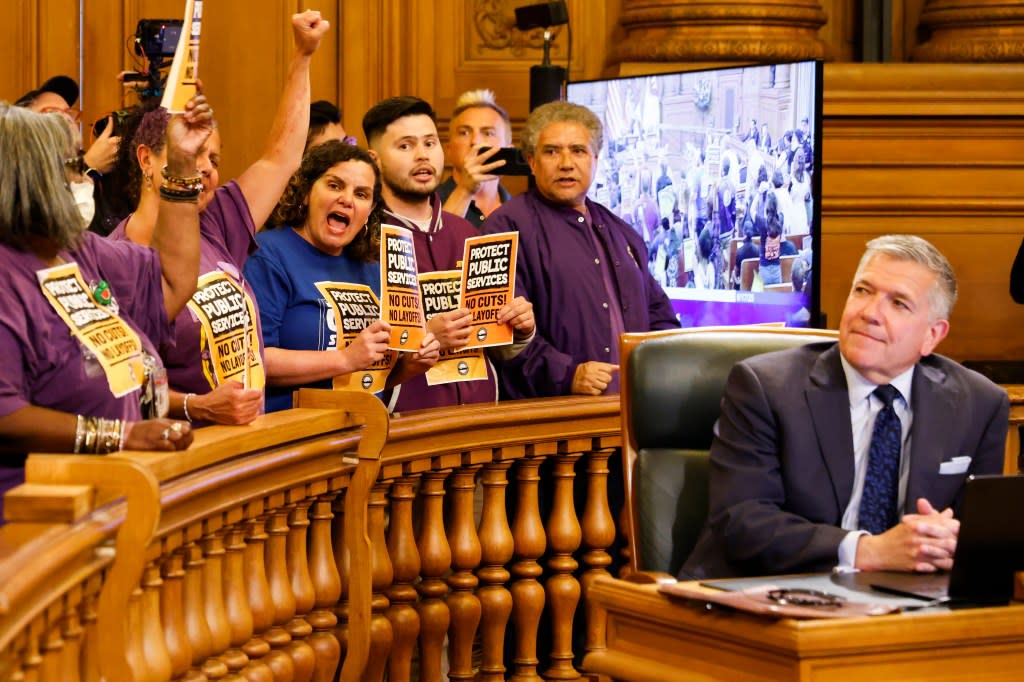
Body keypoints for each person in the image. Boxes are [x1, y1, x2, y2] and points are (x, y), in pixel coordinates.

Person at [682, 235, 1009, 579]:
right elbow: (741, 522)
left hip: (910, 602)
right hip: (770, 592)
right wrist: (867, 551)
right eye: (863, 291)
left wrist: (947, 541)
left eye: (898, 304)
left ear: (932, 335)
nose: (870, 313)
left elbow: (978, 539)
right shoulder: (765, 387)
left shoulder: (979, 404)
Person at [109, 10, 330, 425]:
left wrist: (303, 56)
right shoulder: (117, 259)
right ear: (147, 161)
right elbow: (119, 382)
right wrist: (196, 405)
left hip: (247, 450)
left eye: (215, 157)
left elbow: (281, 156)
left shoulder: (216, 221)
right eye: (194, 152)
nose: (208, 168)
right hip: (186, 458)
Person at [0, 98, 211, 516]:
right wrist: (120, 436)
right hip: (39, 523)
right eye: (71, 168)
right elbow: (6, 415)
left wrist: (183, 166)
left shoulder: (75, 248)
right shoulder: (6, 272)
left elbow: (174, 279)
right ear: (28, 182)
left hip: (118, 499)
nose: (83, 179)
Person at [481, 101, 679, 398]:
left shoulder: (622, 232)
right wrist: (568, 374)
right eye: (551, 151)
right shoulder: (505, 227)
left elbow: (659, 315)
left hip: (633, 412)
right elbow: (500, 333)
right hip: (552, 423)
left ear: (595, 159)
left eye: (578, 150)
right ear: (531, 162)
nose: (566, 163)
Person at [362, 96, 534, 411]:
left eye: (430, 143)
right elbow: (351, 350)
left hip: (478, 422)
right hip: (404, 428)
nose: (422, 155)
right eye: (405, 146)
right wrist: (425, 336)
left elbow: (496, 347)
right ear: (374, 160)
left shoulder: (466, 231)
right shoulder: (362, 240)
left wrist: (520, 328)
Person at [244, 141, 440, 413]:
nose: (347, 200)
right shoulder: (269, 255)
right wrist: (345, 359)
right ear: (305, 193)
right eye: (335, 186)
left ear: (370, 211)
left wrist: (409, 366)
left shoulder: (373, 267)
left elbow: (372, 374)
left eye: (361, 194)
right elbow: (254, 360)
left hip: (363, 432)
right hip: (292, 436)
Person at [15, 75, 120, 230]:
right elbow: (51, 235)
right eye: (52, 113)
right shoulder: (12, 175)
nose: (66, 120)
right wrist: (87, 166)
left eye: (69, 113)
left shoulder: (105, 164)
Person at [437, 89, 513, 229]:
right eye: (464, 133)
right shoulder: (427, 204)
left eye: (488, 133)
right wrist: (465, 190)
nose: (475, 141)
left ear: (508, 150)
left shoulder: (519, 210)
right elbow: (434, 248)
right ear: (449, 150)